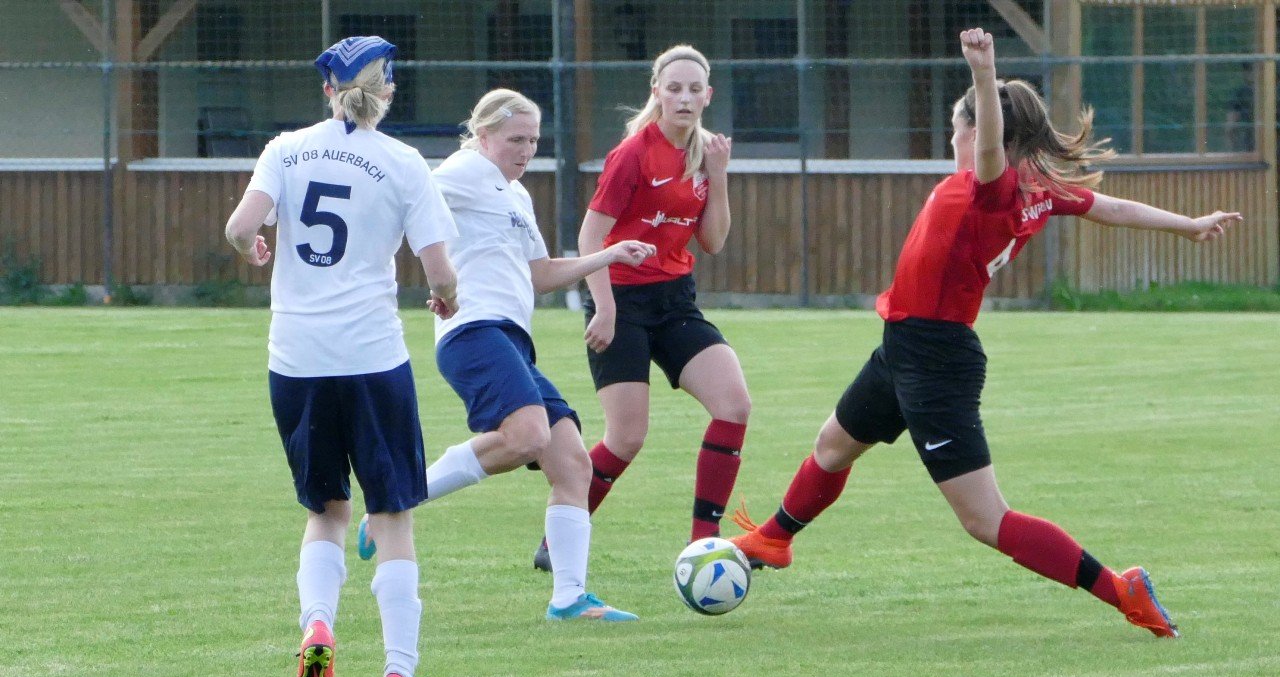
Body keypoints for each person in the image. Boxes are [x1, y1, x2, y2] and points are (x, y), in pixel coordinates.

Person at [730, 28, 1243, 639]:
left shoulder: (993, 187)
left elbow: (996, 148)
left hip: (935, 359)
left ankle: (1120, 588)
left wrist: (983, 72)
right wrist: (1186, 225)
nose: (954, 140)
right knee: (834, 445)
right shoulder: (1036, 191)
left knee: (985, 520)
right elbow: (1112, 208)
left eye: (957, 130)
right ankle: (776, 538)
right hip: (904, 346)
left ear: (978, 134)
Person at [358, 89, 654, 621]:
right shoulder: (465, 169)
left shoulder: (516, 196)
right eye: (516, 139)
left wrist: (606, 255)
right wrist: (439, 279)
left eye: (534, 140)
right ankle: (395, 502)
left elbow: (540, 275)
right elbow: (411, 200)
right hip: (473, 331)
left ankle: (568, 598)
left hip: (510, 339)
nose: (527, 149)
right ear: (484, 134)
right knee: (528, 437)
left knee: (572, 463)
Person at [225, 36, 459, 677]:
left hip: (295, 360)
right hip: (371, 357)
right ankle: (397, 673)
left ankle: (318, 626)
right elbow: (439, 270)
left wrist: (256, 246)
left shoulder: (285, 149)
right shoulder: (403, 161)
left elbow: (241, 227)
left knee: (325, 510)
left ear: (327, 90)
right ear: (386, 91)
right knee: (391, 513)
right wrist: (447, 297)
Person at [529, 44, 746, 572]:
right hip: (620, 298)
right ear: (657, 93)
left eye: (695, 89)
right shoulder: (633, 153)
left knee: (733, 405)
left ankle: (705, 543)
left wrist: (718, 175)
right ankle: (556, 543)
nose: (685, 97)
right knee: (627, 437)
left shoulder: (704, 154)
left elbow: (713, 242)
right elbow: (589, 236)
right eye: (674, 88)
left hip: (675, 302)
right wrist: (602, 307)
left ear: (708, 95)